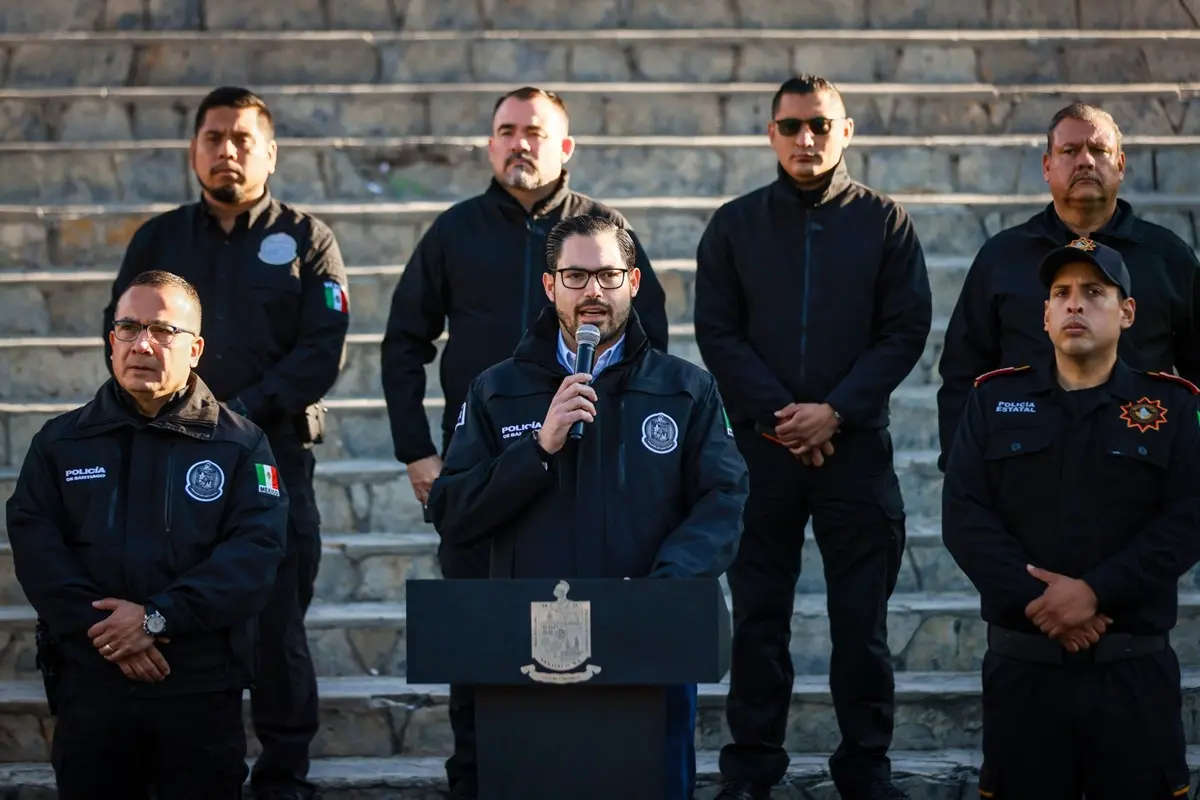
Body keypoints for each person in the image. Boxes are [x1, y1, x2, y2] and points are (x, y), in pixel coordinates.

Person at [380, 85, 670, 799]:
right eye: (507, 130)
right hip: (483, 472)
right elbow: (403, 343)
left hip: (588, 480)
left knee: (586, 651)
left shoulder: (603, 236)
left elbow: (650, 350)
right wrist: (418, 451)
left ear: (565, 146)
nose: (520, 143)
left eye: (535, 131)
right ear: (491, 144)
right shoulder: (454, 232)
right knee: (480, 646)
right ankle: (475, 782)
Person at [427, 214, 748, 800]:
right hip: (533, 645)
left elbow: (722, 500)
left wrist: (662, 587)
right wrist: (538, 448)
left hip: (648, 634)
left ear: (633, 283)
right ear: (550, 286)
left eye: (607, 275)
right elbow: (452, 511)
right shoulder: (497, 390)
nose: (592, 291)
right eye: (575, 276)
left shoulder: (685, 388)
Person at [101, 86, 349, 800]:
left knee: (276, 620)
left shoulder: (308, 240)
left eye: (243, 139)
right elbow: (120, 331)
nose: (227, 151)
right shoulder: (158, 241)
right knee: (176, 602)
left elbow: (322, 349)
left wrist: (234, 417)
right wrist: (182, 416)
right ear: (194, 151)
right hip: (169, 454)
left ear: (269, 153)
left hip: (272, 456)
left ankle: (283, 775)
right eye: (213, 138)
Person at [694, 74, 933, 800]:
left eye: (821, 125)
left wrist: (836, 411)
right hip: (760, 455)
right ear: (771, 134)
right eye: (792, 126)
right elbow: (718, 333)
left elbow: (904, 331)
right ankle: (751, 769)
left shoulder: (886, 223)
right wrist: (781, 416)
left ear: (846, 131)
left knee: (861, 625)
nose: (807, 139)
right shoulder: (733, 226)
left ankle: (865, 769)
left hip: (854, 453)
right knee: (758, 622)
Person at [7, 270, 288, 799]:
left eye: (162, 330)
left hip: (198, 689)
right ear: (111, 340)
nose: (142, 344)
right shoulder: (61, 442)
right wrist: (109, 635)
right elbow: (37, 548)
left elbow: (254, 555)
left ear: (195, 349)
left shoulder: (241, 445)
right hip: (92, 685)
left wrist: (159, 617)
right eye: (128, 328)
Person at [942, 238, 1200, 798]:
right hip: (1024, 674)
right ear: (1045, 315)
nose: (1075, 304)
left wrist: (1096, 592)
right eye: (1061, 293)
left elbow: (1187, 519)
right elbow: (964, 516)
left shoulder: (1172, 407)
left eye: (1094, 292)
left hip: (1132, 676)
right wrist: (1045, 603)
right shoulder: (993, 400)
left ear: (1127, 312)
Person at [937, 102, 1200, 471]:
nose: (1085, 161)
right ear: (1047, 166)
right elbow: (962, 374)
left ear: (1120, 165)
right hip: (1023, 470)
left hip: (1142, 467)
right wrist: (962, 470)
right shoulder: (1002, 257)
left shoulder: (1168, 257)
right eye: (1070, 151)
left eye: (1099, 150)